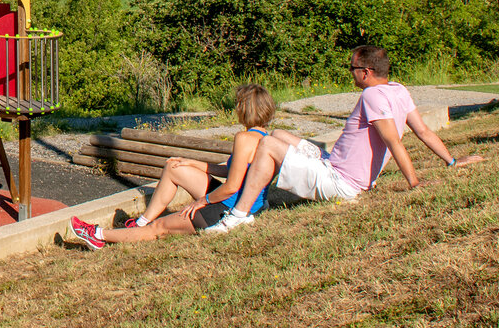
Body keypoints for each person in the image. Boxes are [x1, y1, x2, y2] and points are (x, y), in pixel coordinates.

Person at [206, 45, 485, 234]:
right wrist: (452, 161)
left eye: (352, 68)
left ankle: (239, 215)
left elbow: (393, 142)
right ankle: (258, 197)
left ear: (366, 72)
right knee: (278, 134)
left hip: (340, 182)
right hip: (332, 164)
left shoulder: (371, 96)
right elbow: (422, 131)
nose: (350, 72)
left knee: (267, 143)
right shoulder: (398, 90)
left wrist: (414, 183)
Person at [68, 83, 275, 250]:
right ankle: (140, 222)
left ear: (245, 108)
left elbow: (231, 186)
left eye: (238, 104)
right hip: (238, 203)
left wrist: (202, 201)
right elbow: (235, 174)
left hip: (225, 209)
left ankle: (97, 235)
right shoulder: (265, 139)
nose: (236, 108)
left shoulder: (243, 138)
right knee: (174, 167)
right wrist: (193, 162)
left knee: (159, 228)